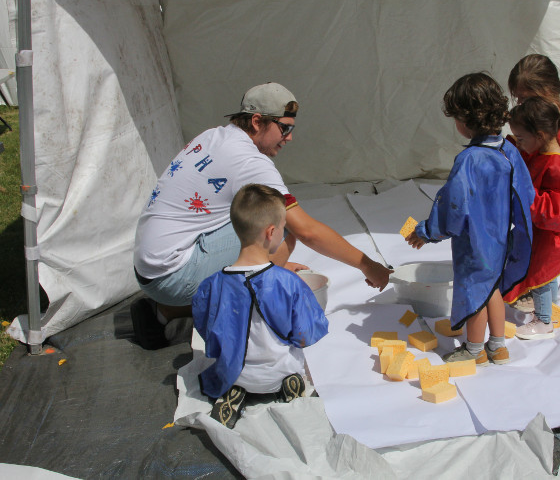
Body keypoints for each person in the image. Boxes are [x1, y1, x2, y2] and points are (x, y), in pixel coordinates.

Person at [131, 83, 391, 349]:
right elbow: (307, 231)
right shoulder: (248, 161)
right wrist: (368, 265)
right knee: (279, 224)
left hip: (149, 268)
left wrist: (269, 260)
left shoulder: (213, 136)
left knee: (257, 219)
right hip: (173, 275)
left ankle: (167, 312)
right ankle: (244, 317)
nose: (289, 138)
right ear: (257, 122)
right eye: (284, 128)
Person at [405, 73, 535, 365]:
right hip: (500, 240)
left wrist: (426, 231)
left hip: (475, 244)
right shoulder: (509, 150)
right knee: (492, 290)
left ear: (465, 120)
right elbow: (525, 196)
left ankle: (474, 351)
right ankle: (498, 347)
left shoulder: (469, 160)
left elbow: (453, 206)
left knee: (475, 294)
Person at [192, 184, 329, 429]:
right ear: (271, 232)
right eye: (284, 228)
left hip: (233, 373)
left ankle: (235, 392)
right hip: (279, 371)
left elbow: (206, 329)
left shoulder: (211, 285)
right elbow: (307, 333)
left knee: (231, 370)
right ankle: (289, 384)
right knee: (293, 366)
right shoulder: (289, 283)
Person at [504, 97, 560, 340]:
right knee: (546, 270)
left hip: (557, 232)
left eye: (521, 139)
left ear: (539, 135)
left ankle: (543, 321)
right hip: (548, 228)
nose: (519, 144)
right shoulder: (543, 152)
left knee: (540, 270)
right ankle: (549, 304)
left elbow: (556, 212)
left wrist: (525, 195)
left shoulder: (557, 166)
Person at [507, 54, 560, 163]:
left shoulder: (559, 129)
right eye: (518, 98)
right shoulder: (534, 122)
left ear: (547, 91)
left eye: (525, 98)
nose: (519, 103)